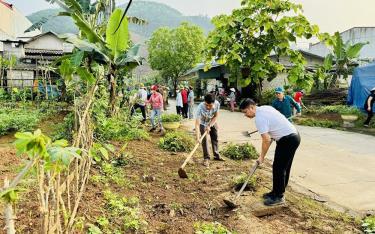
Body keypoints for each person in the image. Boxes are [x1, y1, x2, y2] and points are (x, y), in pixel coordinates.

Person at [240, 99, 301, 206]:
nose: (245, 115)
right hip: (292, 136)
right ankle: (276, 192)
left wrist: (262, 157)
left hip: (288, 139)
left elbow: (266, 140)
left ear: (251, 108)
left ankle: (279, 197)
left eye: (245, 112)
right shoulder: (265, 107)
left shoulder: (259, 119)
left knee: (279, 168)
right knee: (283, 167)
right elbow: (275, 123)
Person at [195, 93, 225, 167]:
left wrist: (210, 125)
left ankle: (216, 155)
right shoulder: (200, 107)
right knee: (204, 140)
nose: (208, 107)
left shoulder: (217, 104)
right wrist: (198, 137)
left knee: (215, 137)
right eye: (206, 105)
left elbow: (216, 116)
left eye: (210, 105)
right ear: (204, 102)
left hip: (212, 121)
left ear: (214, 103)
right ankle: (206, 158)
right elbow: (197, 123)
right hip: (202, 123)